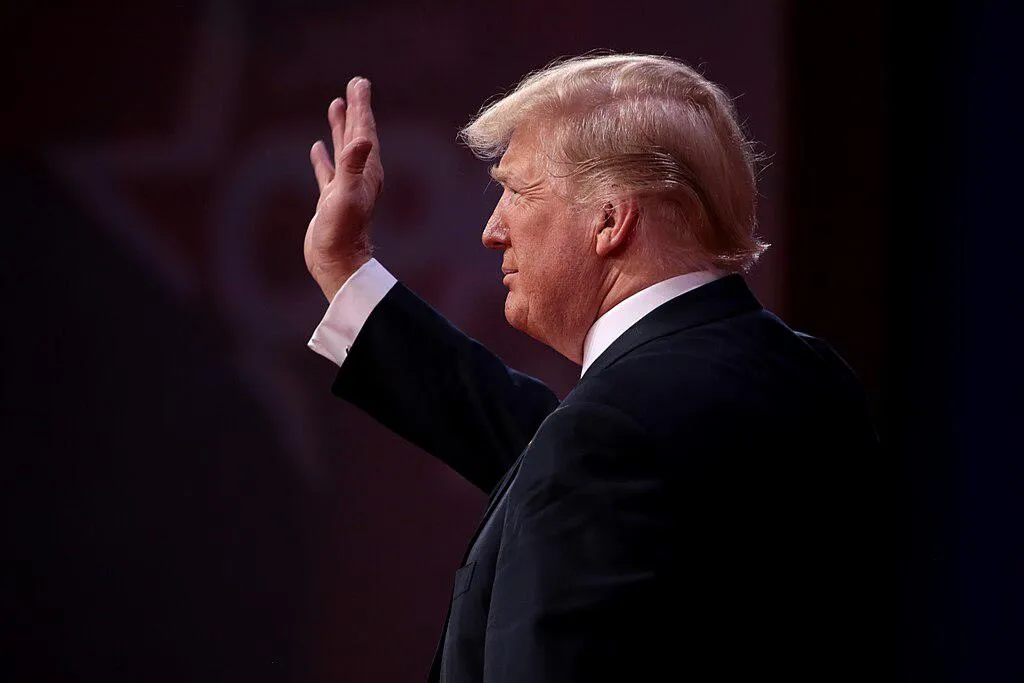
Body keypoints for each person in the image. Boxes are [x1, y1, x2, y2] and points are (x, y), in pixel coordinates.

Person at [304, 54, 888, 682]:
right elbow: (552, 454)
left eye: (516, 190)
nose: (492, 230)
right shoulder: (807, 376)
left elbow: (579, 460)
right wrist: (348, 272)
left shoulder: (609, 437)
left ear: (610, 219)